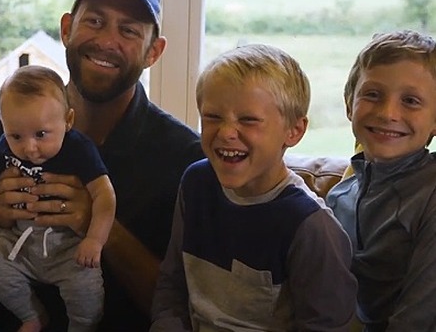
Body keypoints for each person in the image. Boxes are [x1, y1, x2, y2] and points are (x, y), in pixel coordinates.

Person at [0, 0, 205, 331]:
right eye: (94, 21)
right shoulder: (2, 134)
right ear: (65, 29)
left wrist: (101, 227)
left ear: (153, 52)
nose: (107, 41)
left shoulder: (184, 158)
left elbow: (186, 307)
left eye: (128, 31)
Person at [150, 44, 357, 331]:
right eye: (212, 117)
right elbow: (172, 285)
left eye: (248, 120)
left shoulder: (311, 227)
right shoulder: (196, 183)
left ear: (294, 131)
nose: (226, 132)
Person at [0, 65, 116, 332]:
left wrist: (95, 240)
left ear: (68, 121)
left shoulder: (79, 148)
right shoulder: (3, 147)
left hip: (68, 246)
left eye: (41, 135)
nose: (29, 147)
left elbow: (105, 195)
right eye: (16, 135)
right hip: (20, 240)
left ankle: (81, 327)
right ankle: (32, 316)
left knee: (86, 290)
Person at [326, 30, 436, 332]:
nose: (388, 113)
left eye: (411, 101)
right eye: (372, 95)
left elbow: (418, 320)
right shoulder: (337, 198)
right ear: (350, 104)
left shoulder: (430, 197)